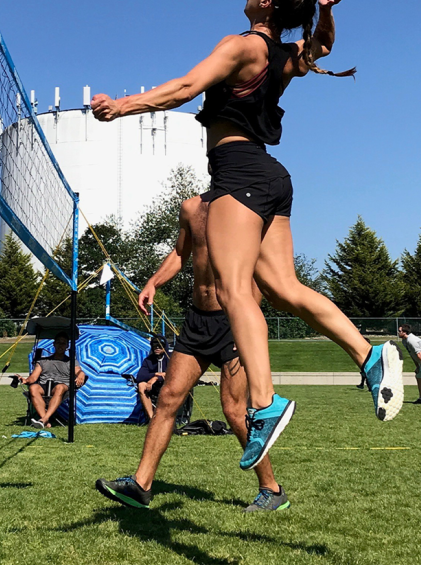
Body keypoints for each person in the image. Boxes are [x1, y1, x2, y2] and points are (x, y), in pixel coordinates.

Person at [92, 0, 404, 470]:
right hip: (271, 177)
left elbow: (186, 86)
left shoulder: (243, 47)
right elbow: (321, 46)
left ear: (268, 5)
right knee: (282, 288)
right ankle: (368, 357)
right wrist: (326, 12)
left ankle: (265, 402)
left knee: (237, 288)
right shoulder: (286, 57)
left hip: (239, 174)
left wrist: (122, 106)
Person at [97, 192, 288, 512]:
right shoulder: (192, 208)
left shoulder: (248, 210)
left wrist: (248, 321)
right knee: (169, 396)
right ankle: (141, 485)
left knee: (233, 411)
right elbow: (179, 252)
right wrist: (153, 282)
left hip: (232, 322)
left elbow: (259, 269)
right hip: (197, 322)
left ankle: (271, 489)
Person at [17, 333, 86, 428]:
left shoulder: (71, 361)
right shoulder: (43, 361)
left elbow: (78, 371)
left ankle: (44, 419)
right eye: (58, 342)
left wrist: (81, 374)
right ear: (54, 344)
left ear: (67, 346)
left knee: (59, 387)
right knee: (33, 388)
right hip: (44, 385)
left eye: (63, 343)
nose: (60, 345)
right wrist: (25, 380)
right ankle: (45, 420)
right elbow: (33, 378)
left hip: (62, 386)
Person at [135, 338, 170, 422]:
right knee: (141, 385)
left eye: (160, 346)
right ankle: (151, 418)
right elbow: (140, 376)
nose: (157, 348)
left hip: (169, 386)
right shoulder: (148, 360)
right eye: (155, 346)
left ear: (164, 347)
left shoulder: (170, 359)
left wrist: (156, 378)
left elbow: (172, 375)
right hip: (153, 388)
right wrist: (155, 374)